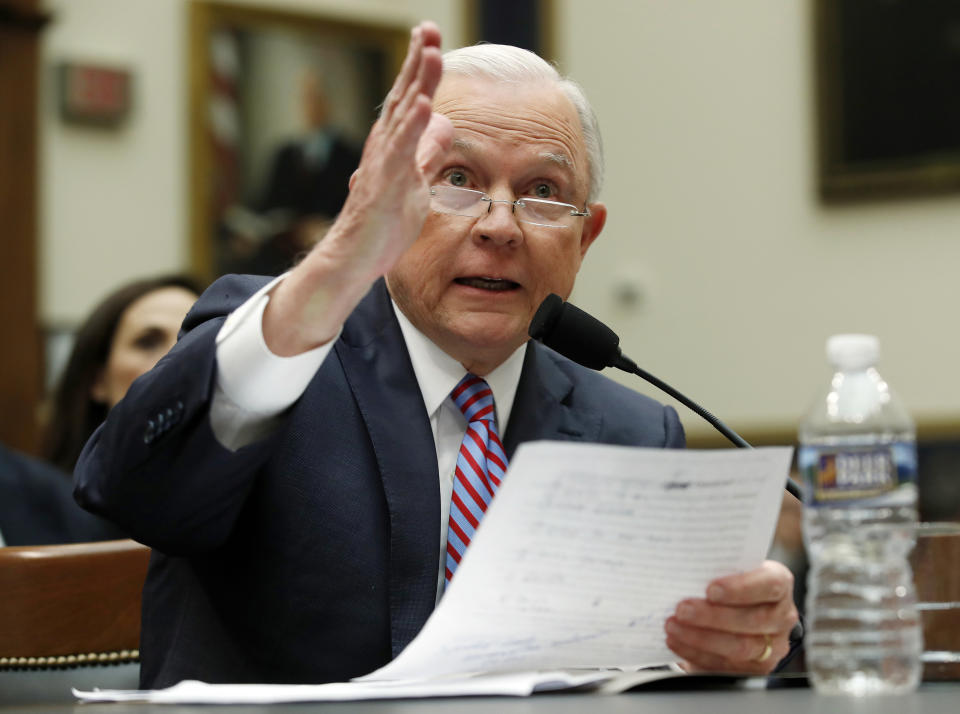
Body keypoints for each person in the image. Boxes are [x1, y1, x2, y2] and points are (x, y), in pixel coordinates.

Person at [75, 23, 799, 688]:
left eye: (543, 192)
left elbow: (659, 671)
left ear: (587, 238)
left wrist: (732, 645)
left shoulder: (634, 432)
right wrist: (326, 275)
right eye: (458, 179)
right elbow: (134, 493)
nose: (500, 225)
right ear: (379, 195)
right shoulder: (276, 352)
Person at [43, 275, 203, 474]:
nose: (179, 356)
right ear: (98, 379)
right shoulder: (44, 499)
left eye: (196, 339)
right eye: (148, 342)